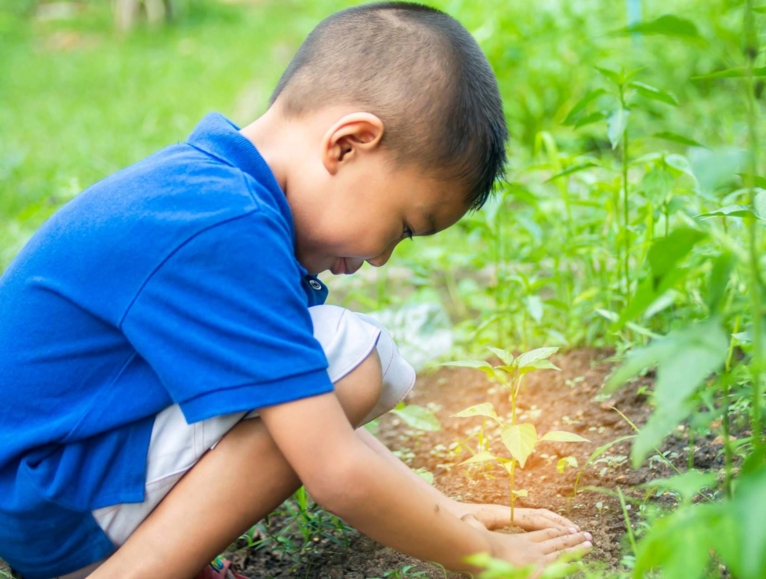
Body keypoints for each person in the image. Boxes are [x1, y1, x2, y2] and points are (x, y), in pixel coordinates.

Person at [0, 3, 593, 578]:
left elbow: (308, 415)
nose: (381, 257)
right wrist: (483, 556)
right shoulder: (224, 227)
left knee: (343, 364)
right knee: (354, 358)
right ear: (347, 144)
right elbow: (334, 466)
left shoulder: (209, 191)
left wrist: (447, 512)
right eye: (404, 227)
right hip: (49, 495)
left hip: (45, 483)